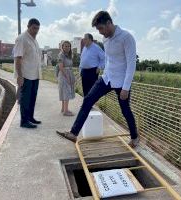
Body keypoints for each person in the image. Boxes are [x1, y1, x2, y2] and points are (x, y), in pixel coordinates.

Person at [56, 11, 139, 148]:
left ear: (108, 23)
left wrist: (126, 87)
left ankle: (135, 137)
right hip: (107, 78)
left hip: (122, 81)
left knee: (125, 110)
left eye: (101, 28)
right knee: (88, 100)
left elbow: (131, 64)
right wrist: (103, 72)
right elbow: (108, 59)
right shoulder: (106, 40)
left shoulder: (126, 37)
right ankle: (73, 133)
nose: (100, 33)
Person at [13, 18, 42, 128]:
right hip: (26, 75)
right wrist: (20, 76)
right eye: (34, 28)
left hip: (35, 74)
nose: (36, 31)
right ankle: (24, 121)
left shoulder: (34, 40)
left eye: (37, 29)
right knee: (25, 99)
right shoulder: (22, 39)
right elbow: (18, 58)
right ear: (28, 26)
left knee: (32, 98)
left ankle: (30, 117)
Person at [58, 41, 76, 116]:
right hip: (64, 75)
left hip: (68, 73)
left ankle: (63, 109)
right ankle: (66, 111)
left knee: (65, 91)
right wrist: (67, 77)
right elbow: (61, 67)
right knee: (66, 91)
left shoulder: (68, 55)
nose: (67, 47)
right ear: (62, 47)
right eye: (65, 46)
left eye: (68, 46)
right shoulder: (61, 55)